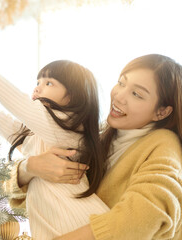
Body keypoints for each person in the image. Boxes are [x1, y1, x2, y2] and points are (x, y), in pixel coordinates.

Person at [0, 34, 109, 240]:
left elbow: (20, 104)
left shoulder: (71, 131)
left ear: (73, 96)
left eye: (49, 83)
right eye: (38, 81)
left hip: (81, 225)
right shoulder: (39, 137)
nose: (37, 87)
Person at [11, 54, 182, 239]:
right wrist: (29, 168)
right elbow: (45, 199)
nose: (119, 96)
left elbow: (149, 213)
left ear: (162, 111)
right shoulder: (99, 135)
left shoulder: (163, 145)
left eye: (136, 94)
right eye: (121, 83)